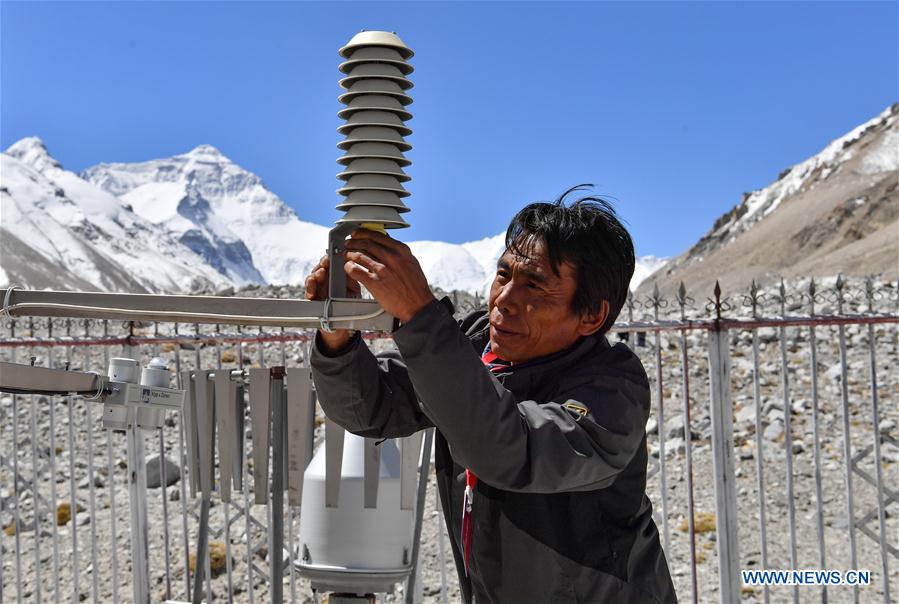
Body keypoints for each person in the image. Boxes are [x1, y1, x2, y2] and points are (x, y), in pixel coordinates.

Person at [305, 186, 676, 603]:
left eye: (535, 285)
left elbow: (510, 450)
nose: (505, 299)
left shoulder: (612, 389)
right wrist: (337, 338)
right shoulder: (476, 346)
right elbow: (372, 408)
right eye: (504, 274)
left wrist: (422, 317)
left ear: (592, 315)